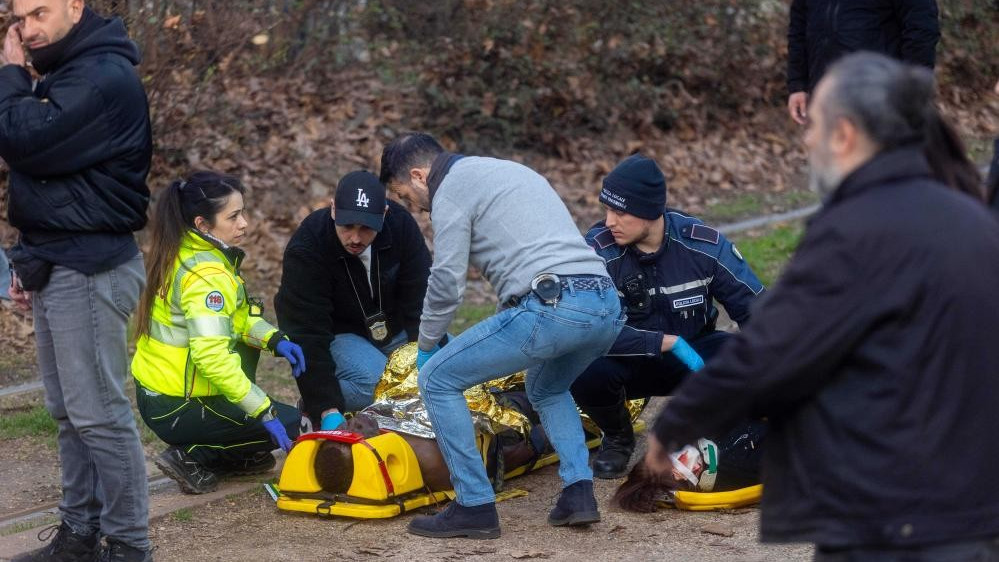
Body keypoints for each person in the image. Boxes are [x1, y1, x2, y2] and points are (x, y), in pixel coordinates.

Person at [646, 52, 999, 560]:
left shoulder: (858, 230)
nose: (806, 140)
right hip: (972, 504)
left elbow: (772, 347)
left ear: (845, 133)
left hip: (891, 513)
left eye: (814, 125)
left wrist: (675, 425)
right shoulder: (972, 217)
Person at [379, 133, 624, 539]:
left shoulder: (450, 189)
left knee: (437, 379)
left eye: (406, 196)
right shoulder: (505, 171)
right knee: (546, 388)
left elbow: (447, 281)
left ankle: (473, 505)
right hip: (604, 304)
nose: (416, 208)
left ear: (420, 176)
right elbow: (524, 266)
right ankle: (579, 494)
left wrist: (427, 345)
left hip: (552, 305)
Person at [0, 1, 153, 559]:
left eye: (40, 13)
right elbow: (53, 185)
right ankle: (79, 536)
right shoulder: (70, 72)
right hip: (61, 261)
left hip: (91, 267)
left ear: (74, 5)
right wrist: (29, 258)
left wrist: (11, 76)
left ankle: (129, 544)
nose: (28, 29)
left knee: (99, 415)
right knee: (70, 413)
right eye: (20, 18)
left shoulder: (100, 75)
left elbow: (22, 141)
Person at [572, 153, 764, 478]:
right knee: (582, 367)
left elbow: (756, 312)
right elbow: (585, 328)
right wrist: (660, 341)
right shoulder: (596, 253)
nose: (609, 221)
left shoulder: (703, 245)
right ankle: (617, 436)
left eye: (620, 212)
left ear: (650, 211)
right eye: (606, 210)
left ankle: (719, 427)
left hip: (692, 356)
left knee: (741, 355)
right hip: (626, 358)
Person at [130, 172, 302, 497]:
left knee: (271, 427)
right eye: (233, 216)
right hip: (179, 405)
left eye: (242, 212)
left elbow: (233, 319)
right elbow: (211, 356)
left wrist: (274, 339)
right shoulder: (206, 276)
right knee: (293, 423)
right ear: (203, 225)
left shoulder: (184, 252)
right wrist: (262, 409)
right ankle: (194, 455)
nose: (244, 224)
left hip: (159, 395)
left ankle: (237, 454)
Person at [275, 170, 431, 431]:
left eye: (366, 228)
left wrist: (426, 360)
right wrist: (325, 406)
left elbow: (421, 298)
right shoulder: (308, 245)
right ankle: (312, 408)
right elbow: (306, 331)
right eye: (347, 226)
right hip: (339, 333)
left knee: (449, 363)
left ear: (384, 215)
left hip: (395, 328)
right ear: (333, 210)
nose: (356, 238)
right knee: (377, 381)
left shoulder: (401, 225)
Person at [786, 0, 940, 125]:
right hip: (825, 90)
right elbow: (799, 24)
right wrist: (798, 84)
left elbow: (921, 28)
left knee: (885, 153)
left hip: (881, 93)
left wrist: (911, 87)